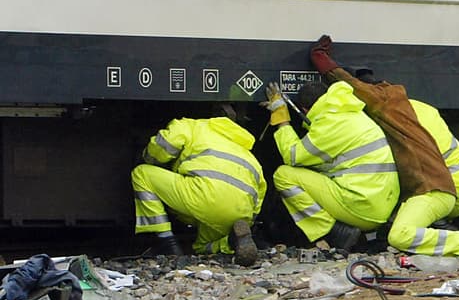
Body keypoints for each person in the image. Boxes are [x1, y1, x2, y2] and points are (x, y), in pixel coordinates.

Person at [310, 35, 459, 258]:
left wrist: (322, 60)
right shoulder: (414, 107)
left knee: (399, 233)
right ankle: (445, 225)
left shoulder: (385, 108)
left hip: (438, 188)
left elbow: (354, 88)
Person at [266, 78, 400, 251]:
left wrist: (281, 117)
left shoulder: (329, 124)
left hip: (362, 208)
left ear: (305, 110)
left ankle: (333, 232)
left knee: (284, 175)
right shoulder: (353, 115)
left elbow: (292, 156)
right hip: (382, 207)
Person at [131, 115, 264, 266]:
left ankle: (166, 243)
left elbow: (165, 144)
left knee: (142, 174)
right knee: (203, 247)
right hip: (238, 213)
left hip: (202, 196)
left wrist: (148, 157)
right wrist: (247, 221)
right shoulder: (247, 154)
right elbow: (258, 198)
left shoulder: (192, 125)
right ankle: (231, 241)